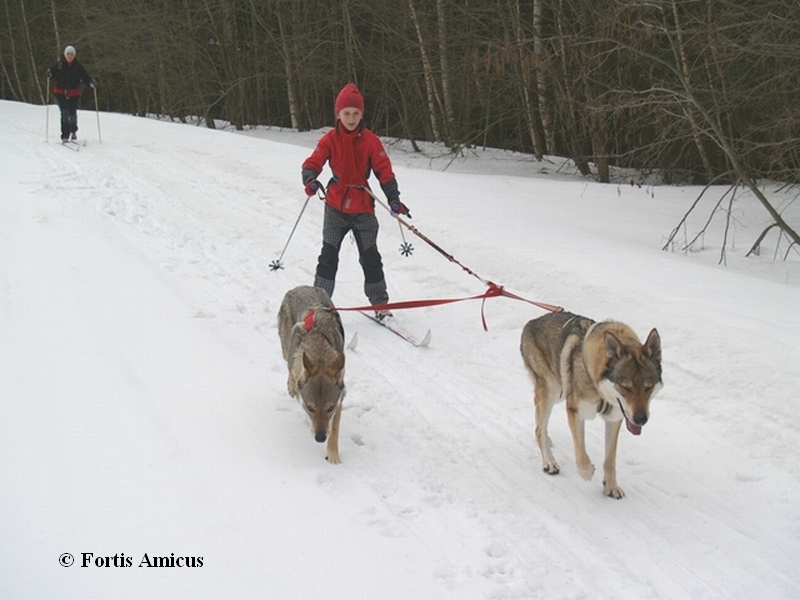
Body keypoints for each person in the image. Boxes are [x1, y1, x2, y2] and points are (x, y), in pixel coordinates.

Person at [301, 83, 410, 320]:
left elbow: (384, 171)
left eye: (356, 113)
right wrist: (309, 178)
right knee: (328, 256)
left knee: (370, 257)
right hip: (335, 206)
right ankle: (320, 306)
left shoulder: (371, 141)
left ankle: (379, 304)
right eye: (346, 113)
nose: (351, 118)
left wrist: (393, 197)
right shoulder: (330, 139)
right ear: (338, 114)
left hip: (363, 206)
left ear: (362, 114)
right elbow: (313, 161)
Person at [46, 45, 95, 143]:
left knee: (72, 112)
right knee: (65, 112)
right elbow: (52, 73)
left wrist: (90, 82)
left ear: (74, 55)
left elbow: (85, 77)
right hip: (60, 91)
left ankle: (73, 131)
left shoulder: (78, 66)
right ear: (65, 55)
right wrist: (49, 74)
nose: (70, 56)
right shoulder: (60, 65)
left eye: (72, 54)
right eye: (68, 54)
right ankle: (65, 135)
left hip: (73, 92)